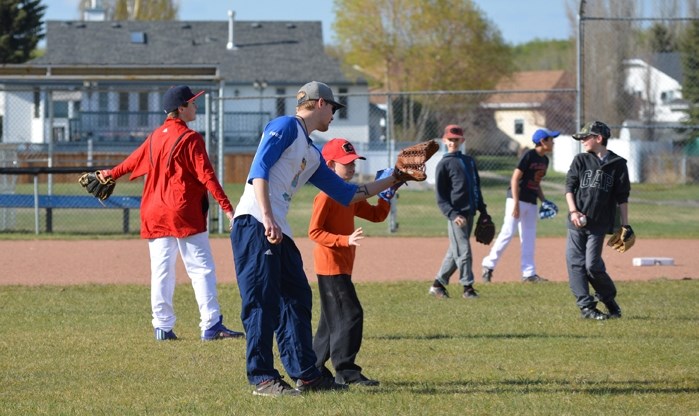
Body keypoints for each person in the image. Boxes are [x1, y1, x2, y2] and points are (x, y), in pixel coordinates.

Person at [231, 81, 404, 397]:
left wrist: (394, 179)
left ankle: (307, 375)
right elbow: (259, 169)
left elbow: (347, 194)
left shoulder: (311, 152)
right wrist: (268, 216)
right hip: (256, 222)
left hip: (276, 228)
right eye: (334, 108)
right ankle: (262, 378)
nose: (334, 115)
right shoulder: (285, 126)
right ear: (320, 103)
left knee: (297, 297)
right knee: (261, 302)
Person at [99, 85, 244, 341]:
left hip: (154, 211)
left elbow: (132, 161)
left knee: (162, 271)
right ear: (181, 108)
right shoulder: (191, 138)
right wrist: (228, 209)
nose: (195, 106)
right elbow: (207, 176)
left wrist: (109, 174)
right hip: (183, 210)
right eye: (192, 103)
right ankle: (211, 324)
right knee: (201, 269)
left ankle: (162, 327)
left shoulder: (156, 136)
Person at [309, 138, 396, 388]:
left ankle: (312, 369)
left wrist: (386, 195)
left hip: (342, 266)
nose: (352, 167)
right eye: (346, 163)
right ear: (329, 165)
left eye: (354, 162)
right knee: (350, 314)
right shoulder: (325, 196)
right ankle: (346, 371)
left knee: (331, 319)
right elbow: (314, 232)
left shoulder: (349, 194)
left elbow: (377, 216)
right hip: (330, 266)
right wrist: (344, 239)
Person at [565, 121, 630, 320]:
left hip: (599, 223)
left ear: (599, 138)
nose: (583, 141)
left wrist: (625, 224)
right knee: (576, 263)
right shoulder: (581, 160)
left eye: (586, 137)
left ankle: (608, 298)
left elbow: (622, 197)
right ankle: (586, 307)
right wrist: (574, 211)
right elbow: (569, 188)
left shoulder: (618, 164)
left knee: (592, 265)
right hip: (577, 221)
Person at [481, 128, 559, 283]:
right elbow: (515, 179)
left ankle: (528, 274)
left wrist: (543, 200)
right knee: (507, 233)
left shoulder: (545, 160)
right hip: (516, 199)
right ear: (543, 141)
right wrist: (515, 204)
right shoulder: (529, 155)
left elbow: (536, 183)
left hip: (531, 201)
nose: (553, 142)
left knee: (529, 237)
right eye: (551, 139)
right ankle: (488, 265)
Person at [428, 124, 488, 300]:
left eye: (456, 139)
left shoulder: (469, 161)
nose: (453, 142)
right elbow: (441, 197)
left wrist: (483, 211)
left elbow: (476, 187)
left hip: (470, 213)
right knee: (464, 251)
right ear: (444, 141)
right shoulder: (444, 164)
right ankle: (467, 288)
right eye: (450, 140)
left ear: (462, 141)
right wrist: (453, 215)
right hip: (457, 216)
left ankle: (437, 285)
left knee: (455, 253)